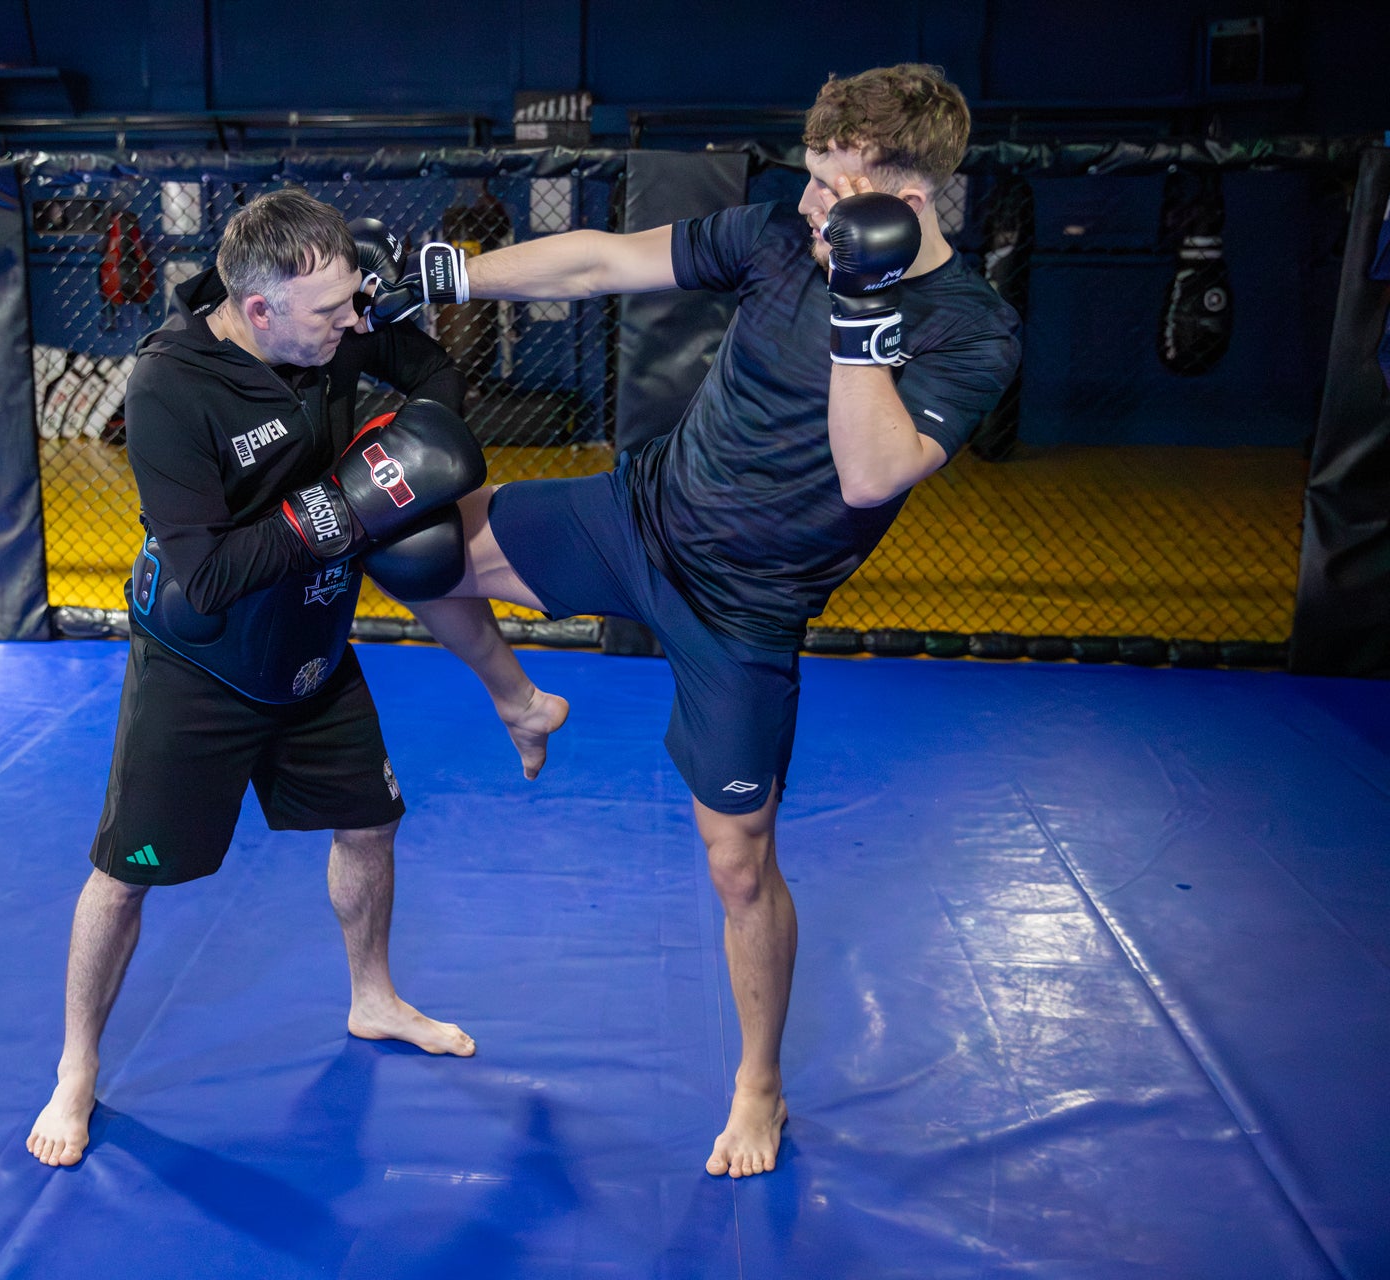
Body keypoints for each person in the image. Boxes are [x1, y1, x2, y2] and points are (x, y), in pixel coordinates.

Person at [384, 64, 1022, 1178]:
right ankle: (521, 697)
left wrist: (863, 306)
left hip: (747, 606)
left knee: (738, 867)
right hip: (641, 512)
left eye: (837, 188)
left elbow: (872, 476)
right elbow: (600, 260)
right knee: (414, 543)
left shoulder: (972, 330)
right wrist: (448, 276)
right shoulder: (777, 236)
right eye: (814, 178)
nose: (814, 204)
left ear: (908, 197)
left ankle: (758, 1080)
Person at [27, 189, 560, 1168]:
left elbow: (428, 365)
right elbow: (212, 572)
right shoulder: (170, 388)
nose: (355, 325)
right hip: (202, 658)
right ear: (259, 310)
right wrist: (357, 496)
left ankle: (371, 995)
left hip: (312, 640)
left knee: (370, 822)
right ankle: (75, 1063)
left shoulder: (336, 327)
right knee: (123, 875)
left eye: (356, 305)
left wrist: (427, 423)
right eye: (333, 313)